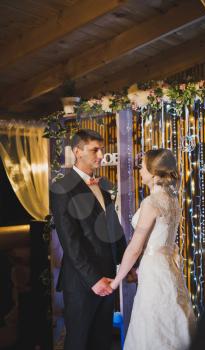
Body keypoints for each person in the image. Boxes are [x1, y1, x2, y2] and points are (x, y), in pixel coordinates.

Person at [110, 148, 196, 350]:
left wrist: (115, 282)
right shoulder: (173, 200)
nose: (139, 170)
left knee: (153, 323)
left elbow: (135, 248)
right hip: (166, 269)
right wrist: (137, 271)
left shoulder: (151, 202)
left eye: (143, 166)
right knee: (168, 319)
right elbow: (159, 243)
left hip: (155, 271)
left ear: (154, 172)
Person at [50, 129, 127, 350]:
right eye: (95, 150)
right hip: (82, 281)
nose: (101, 155)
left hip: (109, 276)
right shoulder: (62, 187)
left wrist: (128, 266)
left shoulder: (103, 185)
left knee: (102, 341)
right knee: (79, 341)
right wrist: (94, 280)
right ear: (77, 151)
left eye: (101, 149)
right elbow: (70, 241)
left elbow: (114, 229)